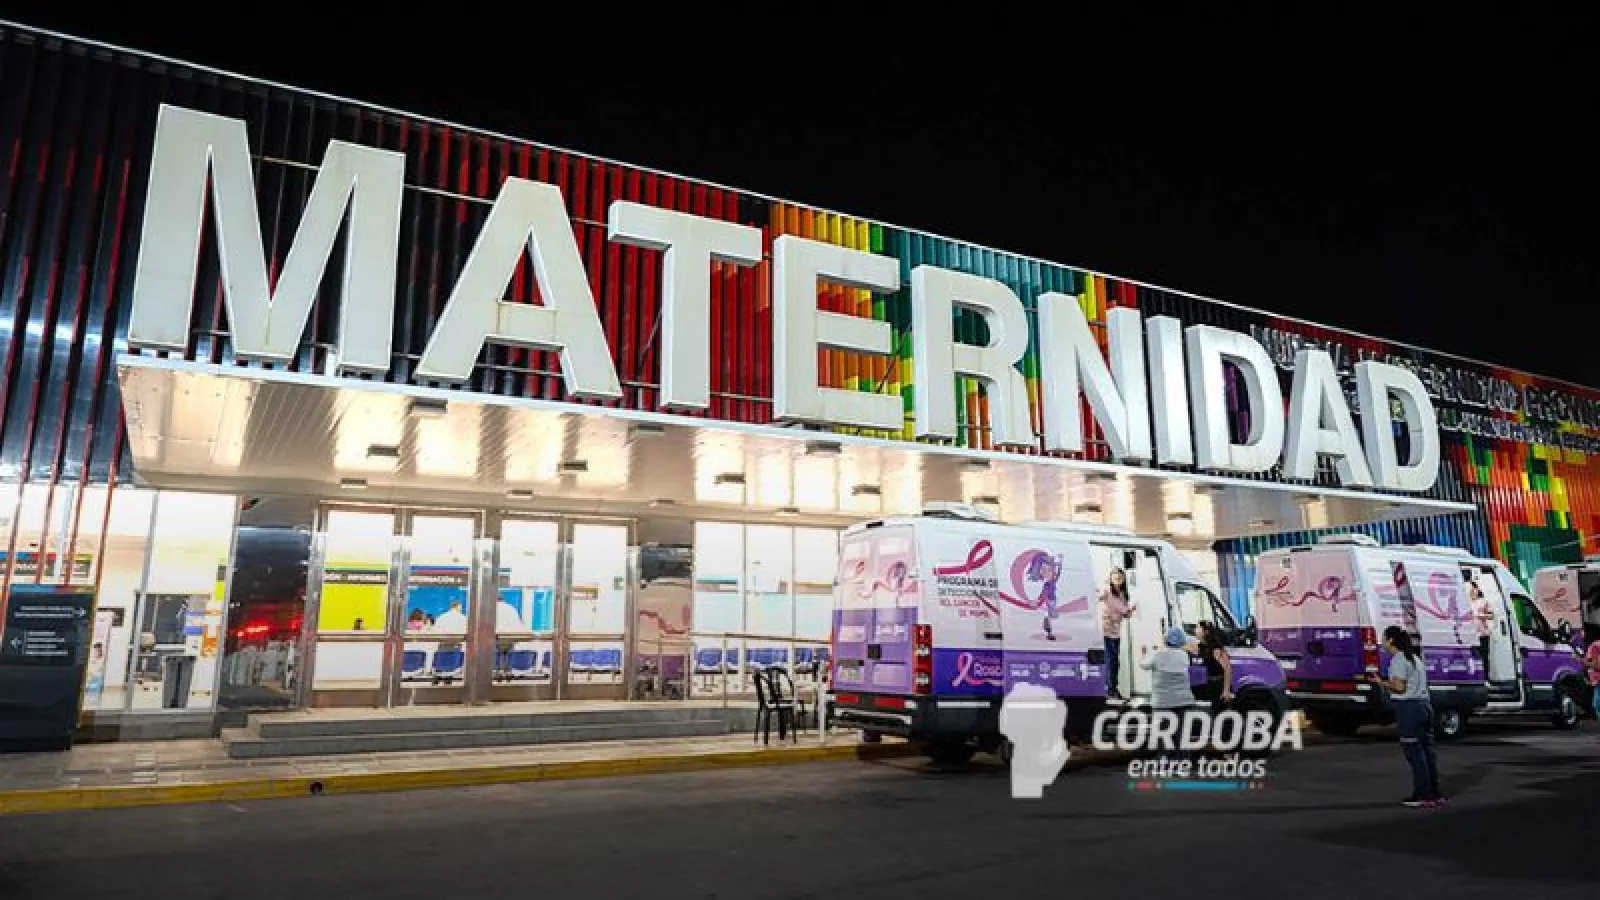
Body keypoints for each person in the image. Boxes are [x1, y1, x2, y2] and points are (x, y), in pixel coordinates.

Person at [1364, 626, 1442, 807]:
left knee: (1414, 752)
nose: (1382, 642)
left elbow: (1399, 687)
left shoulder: (1399, 660)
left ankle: (1423, 795)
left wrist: (1381, 682)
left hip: (1409, 708)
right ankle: (1434, 792)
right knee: (1427, 751)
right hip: (1424, 705)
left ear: (1391, 640)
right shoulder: (1414, 658)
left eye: (1384, 638)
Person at [1100, 567, 1135, 699]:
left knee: (1115, 662)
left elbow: (1125, 613)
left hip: (1116, 632)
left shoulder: (1122, 594)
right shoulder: (1106, 590)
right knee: (1110, 662)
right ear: (1110, 578)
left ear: (1124, 579)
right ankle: (1111, 691)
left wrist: (1129, 612)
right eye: (1115, 578)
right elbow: (1098, 598)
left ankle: (1113, 689)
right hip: (1106, 631)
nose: (1118, 580)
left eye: (1120, 578)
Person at [1142, 627, 1196, 711]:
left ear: (1166, 639)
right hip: (1184, 702)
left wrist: (1144, 654)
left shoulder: (1157, 655)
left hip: (1162, 703)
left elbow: (1143, 665)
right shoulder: (1185, 656)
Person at [1192, 621, 1234, 710]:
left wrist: (1226, 690)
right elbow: (1186, 646)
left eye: (1198, 628)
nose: (1195, 630)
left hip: (1220, 685)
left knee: (1221, 712)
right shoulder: (1202, 646)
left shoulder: (1216, 648)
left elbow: (1228, 669)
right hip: (1212, 683)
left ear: (1206, 632)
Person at [1468, 578, 1495, 675]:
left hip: (1483, 633)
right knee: (1473, 658)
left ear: (1477, 589)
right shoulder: (1467, 603)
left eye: (1473, 589)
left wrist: (1480, 616)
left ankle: (1486, 677)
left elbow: (1491, 615)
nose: (1472, 592)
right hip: (1471, 634)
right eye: (1470, 590)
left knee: (1484, 656)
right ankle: (1476, 676)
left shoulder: (1483, 602)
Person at [1584, 626, 1600, 725]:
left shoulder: (1595, 645)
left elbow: (1595, 665)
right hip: (1595, 680)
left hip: (1597, 680)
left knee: (1596, 703)